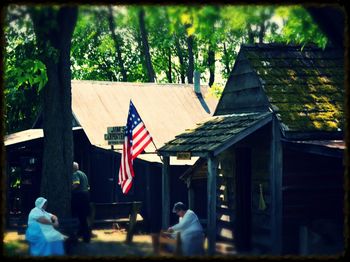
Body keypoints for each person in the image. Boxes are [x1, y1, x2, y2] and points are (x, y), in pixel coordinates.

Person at [71, 161, 91, 243]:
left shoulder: (75, 174)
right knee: (83, 216)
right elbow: (88, 186)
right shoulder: (83, 174)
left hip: (79, 196)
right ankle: (81, 233)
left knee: (80, 217)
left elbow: (76, 184)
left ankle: (86, 237)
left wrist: (68, 190)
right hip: (86, 195)